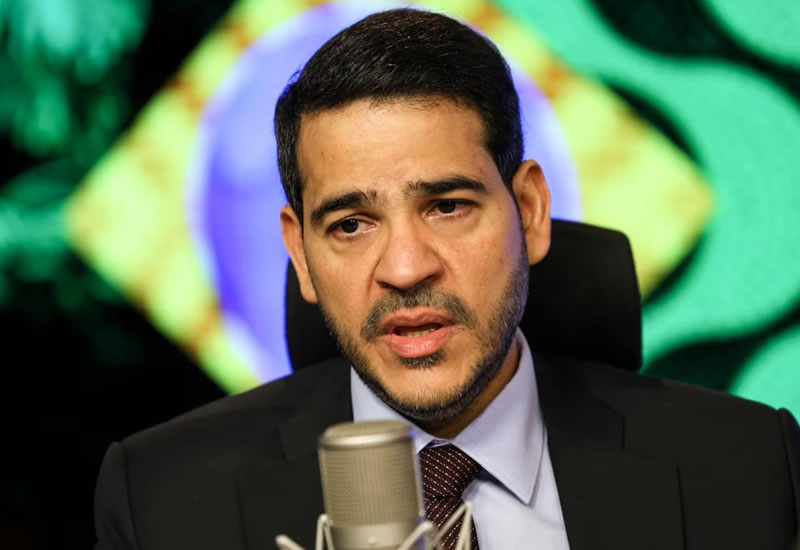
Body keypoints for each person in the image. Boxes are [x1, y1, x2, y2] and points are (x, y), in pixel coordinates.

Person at [94, 8, 800, 550]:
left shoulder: (745, 468)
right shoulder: (162, 502)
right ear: (300, 254)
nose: (405, 269)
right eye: (351, 224)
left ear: (530, 211)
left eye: (448, 206)